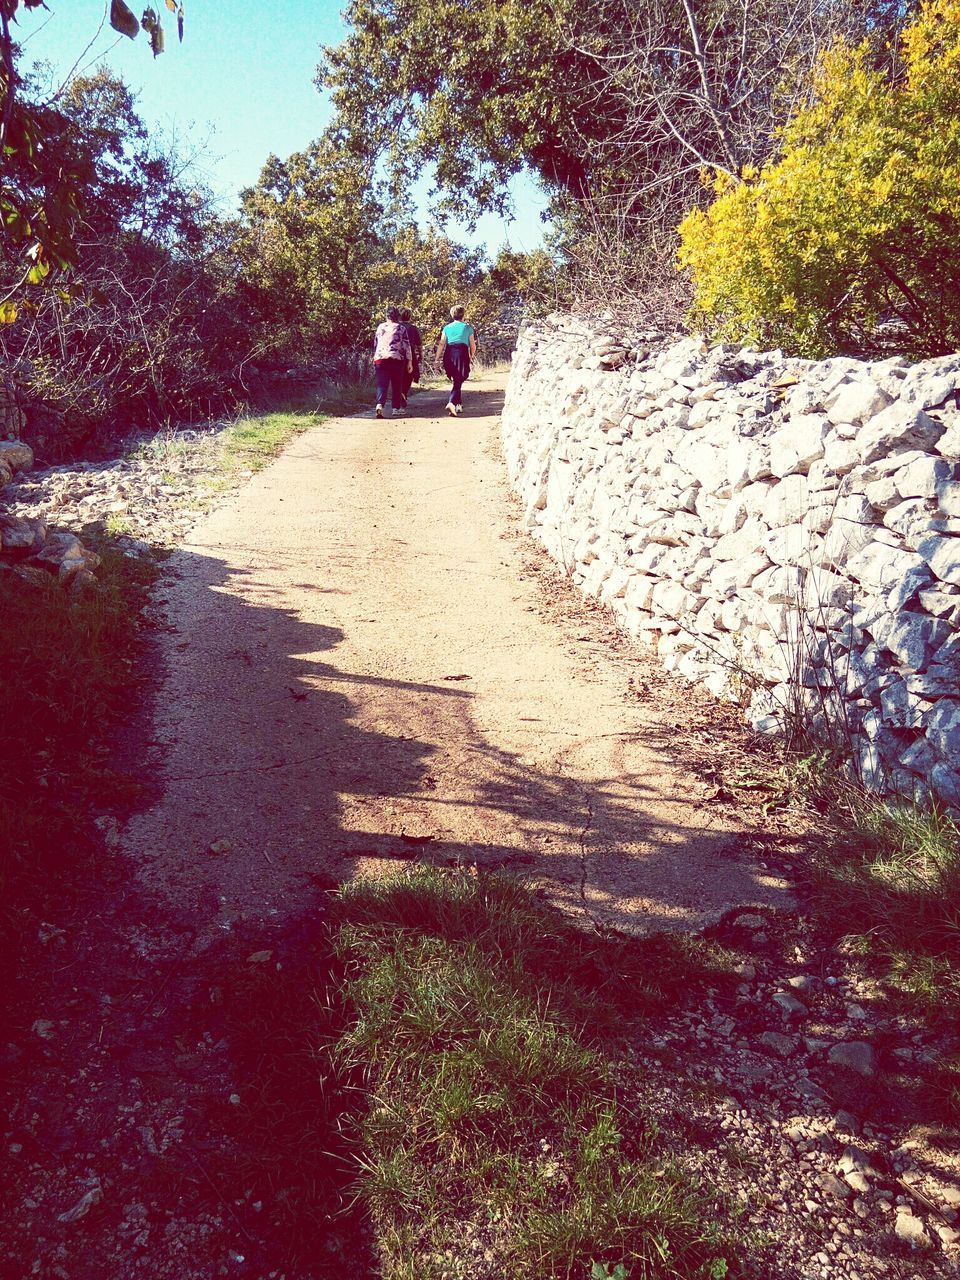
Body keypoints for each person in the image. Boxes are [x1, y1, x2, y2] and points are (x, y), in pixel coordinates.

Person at [434, 305, 477, 417]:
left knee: (456, 379)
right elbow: (473, 345)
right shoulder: (468, 328)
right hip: (461, 354)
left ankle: (458, 405)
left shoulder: (447, 328)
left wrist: (437, 359)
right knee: (458, 379)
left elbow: (442, 343)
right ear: (463, 314)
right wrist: (471, 356)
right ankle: (452, 402)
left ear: (452, 315)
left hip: (449, 353)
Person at [373, 306, 413, 418]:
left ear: (386, 316)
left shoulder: (380, 327)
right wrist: (409, 362)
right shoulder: (401, 328)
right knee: (397, 385)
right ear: (397, 316)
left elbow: (376, 343)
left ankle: (380, 405)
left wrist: (375, 356)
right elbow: (406, 346)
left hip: (381, 359)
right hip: (396, 359)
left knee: (382, 384)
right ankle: (396, 408)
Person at [398, 308, 422, 409]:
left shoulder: (397, 327)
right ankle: (404, 393)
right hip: (410, 354)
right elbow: (419, 344)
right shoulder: (413, 328)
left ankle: (400, 393)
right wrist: (421, 355)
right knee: (410, 375)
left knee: (399, 375)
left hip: (398, 353)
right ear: (410, 316)